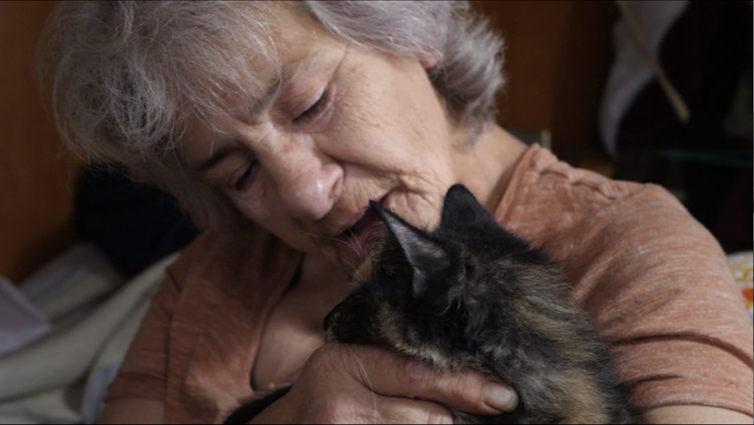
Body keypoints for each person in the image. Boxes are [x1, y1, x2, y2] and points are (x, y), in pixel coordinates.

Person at [38, 1, 752, 424]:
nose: (307, 194)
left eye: (312, 105)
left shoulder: (630, 244)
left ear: (412, 33)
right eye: (242, 172)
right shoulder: (209, 276)